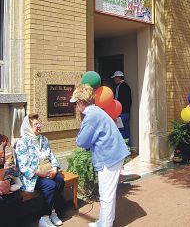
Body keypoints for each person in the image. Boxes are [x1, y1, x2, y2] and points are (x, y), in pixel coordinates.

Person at [70, 84, 130, 227]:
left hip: (109, 157)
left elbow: (82, 141)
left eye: (75, 103)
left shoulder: (91, 116)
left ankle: (105, 225)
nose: (75, 107)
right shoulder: (96, 111)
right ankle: (104, 222)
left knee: (106, 195)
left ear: (80, 102)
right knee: (108, 193)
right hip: (113, 155)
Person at [15, 114, 65, 227]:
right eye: (35, 124)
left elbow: (52, 156)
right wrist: (40, 173)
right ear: (28, 127)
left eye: (39, 123)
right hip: (32, 176)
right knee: (50, 186)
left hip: (46, 171)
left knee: (60, 180)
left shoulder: (43, 139)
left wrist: (55, 169)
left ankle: (52, 212)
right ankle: (44, 217)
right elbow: (23, 167)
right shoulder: (22, 142)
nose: (39, 125)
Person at [0, 134, 22, 227]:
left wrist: (8, 181)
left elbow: (10, 163)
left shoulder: (4, 140)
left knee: (15, 197)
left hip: (5, 181)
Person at [111, 71, 132, 144]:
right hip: (126, 112)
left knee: (121, 131)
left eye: (115, 78)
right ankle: (129, 148)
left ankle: (124, 150)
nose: (114, 80)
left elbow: (119, 100)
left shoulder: (120, 87)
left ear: (118, 78)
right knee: (126, 130)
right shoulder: (126, 86)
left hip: (121, 113)